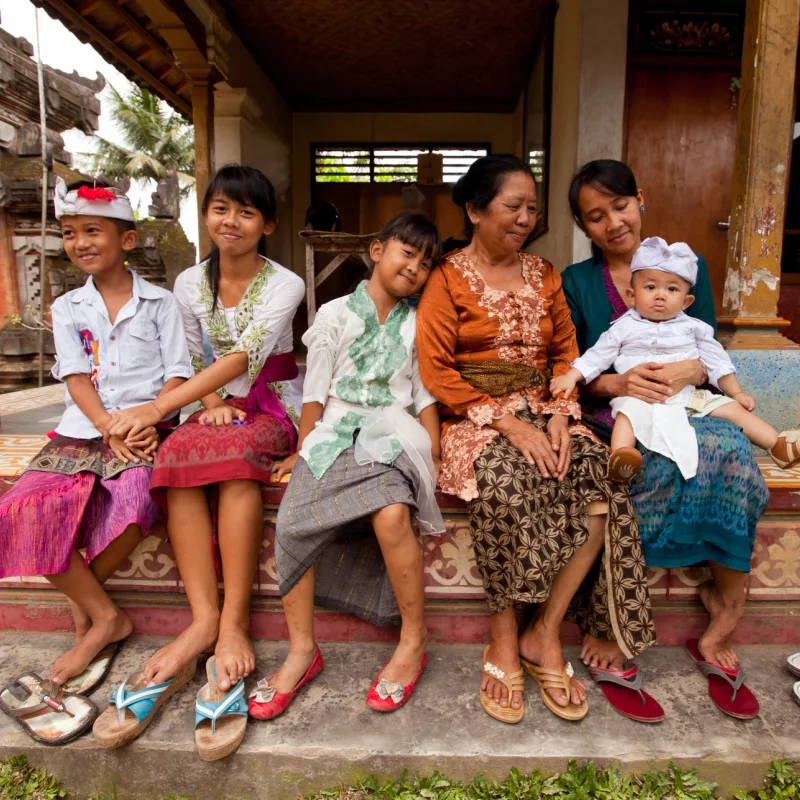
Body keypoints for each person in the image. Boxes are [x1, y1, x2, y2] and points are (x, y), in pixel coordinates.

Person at [416, 155, 656, 725]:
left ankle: (543, 633)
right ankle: (504, 636)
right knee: (506, 478)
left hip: (546, 406)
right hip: (474, 417)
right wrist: (507, 422)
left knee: (598, 473)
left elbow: (564, 354)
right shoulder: (446, 277)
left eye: (532, 208)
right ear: (475, 210)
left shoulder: (545, 274)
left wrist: (558, 414)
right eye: (512, 206)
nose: (526, 218)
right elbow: (437, 369)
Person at [562, 159, 770, 720]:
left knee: (727, 453)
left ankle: (725, 607)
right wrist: (620, 382)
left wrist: (689, 374)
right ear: (585, 227)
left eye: (620, 206)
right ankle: (613, 621)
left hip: (686, 403)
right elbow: (581, 364)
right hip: (619, 410)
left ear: (640, 199)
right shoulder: (577, 282)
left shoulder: (687, 266)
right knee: (633, 469)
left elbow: (706, 352)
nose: (612, 223)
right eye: (595, 216)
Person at [104, 165, 304, 705]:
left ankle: (235, 623)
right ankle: (203, 620)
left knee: (237, 458)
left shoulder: (287, 282)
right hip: (210, 400)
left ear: (267, 224)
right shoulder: (189, 283)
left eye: (246, 211)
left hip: (272, 399)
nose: (231, 221)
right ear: (207, 214)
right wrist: (209, 403)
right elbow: (194, 352)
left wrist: (157, 407)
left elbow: (247, 356)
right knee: (178, 455)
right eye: (220, 209)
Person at [248, 212, 444, 720]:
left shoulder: (420, 322)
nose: (414, 267)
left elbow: (423, 396)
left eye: (425, 263)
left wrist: (435, 452)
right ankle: (301, 651)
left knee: (392, 515)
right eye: (407, 253)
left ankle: (413, 640)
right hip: (335, 432)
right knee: (292, 522)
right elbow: (315, 391)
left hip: (393, 434)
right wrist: (303, 446)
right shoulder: (335, 313)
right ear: (378, 251)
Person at [0, 178, 192, 692]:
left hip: (148, 428)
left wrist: (146, 419)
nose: (80, 242)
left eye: (92, 230)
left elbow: (178, 373)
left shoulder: (159, 304)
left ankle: (90, 605)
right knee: (20, 509)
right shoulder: (66, 309)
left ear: (126, 241)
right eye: (69, 233)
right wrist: (108, 426)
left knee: (136, 502)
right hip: (84, 428)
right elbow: (76, 377)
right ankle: (105, 614)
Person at [553, 236, 800, 482]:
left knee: (732, 409)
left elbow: (717, 361)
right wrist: (572, 376)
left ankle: (776, 444)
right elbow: (597, 356)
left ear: (686, 301)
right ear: (632, 295)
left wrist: (735, 393)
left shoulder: (695, 328)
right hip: (639, 396)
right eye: (650, 288)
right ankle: (621, 459)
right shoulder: (622, 327)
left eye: (672, 289)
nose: (660, 295)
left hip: (687, 397)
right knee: (626, 417)